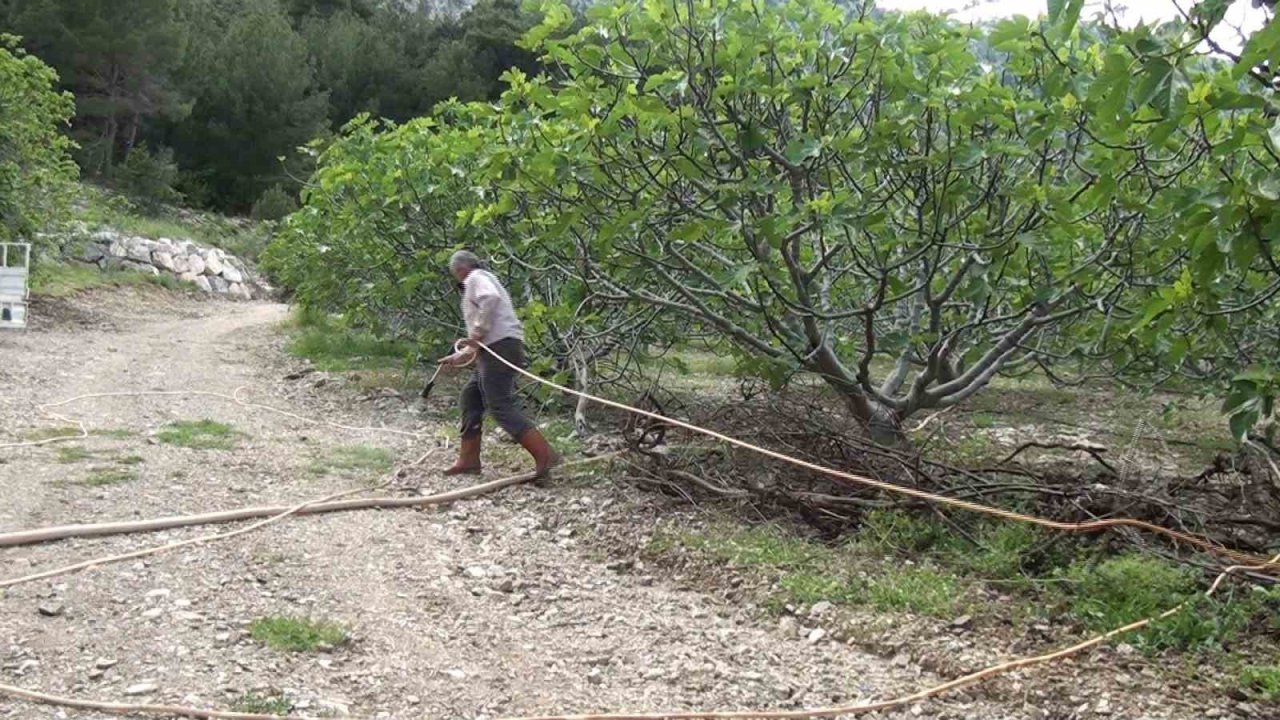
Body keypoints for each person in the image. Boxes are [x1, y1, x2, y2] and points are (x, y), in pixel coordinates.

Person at [438, 250, 559, 478]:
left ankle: (545, 455)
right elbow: (478, 342)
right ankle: (469, 460)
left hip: (500, 348)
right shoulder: (483, 278)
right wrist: (459, 356)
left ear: (460, 269)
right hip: (496, 349)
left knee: (499, 405)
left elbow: (489, 299)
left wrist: (476, 333)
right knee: (471, 397)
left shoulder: (476, 278)